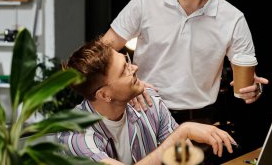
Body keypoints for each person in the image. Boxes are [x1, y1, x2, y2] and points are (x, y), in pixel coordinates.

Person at [102, 0, 269, 124]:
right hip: (144, 116)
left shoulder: (233, 18)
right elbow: (101, 51)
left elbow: (247, 81)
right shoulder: (146, 2)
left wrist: (254, 89)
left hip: (200, 122)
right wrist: (127, 84)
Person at [57, 38, 235, 165]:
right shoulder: (75, 135)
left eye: (126, 60)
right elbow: (178, 140)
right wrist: (182, 132)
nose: (134, 68)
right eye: (124, 71)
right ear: (104, 95)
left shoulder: (148, 103)